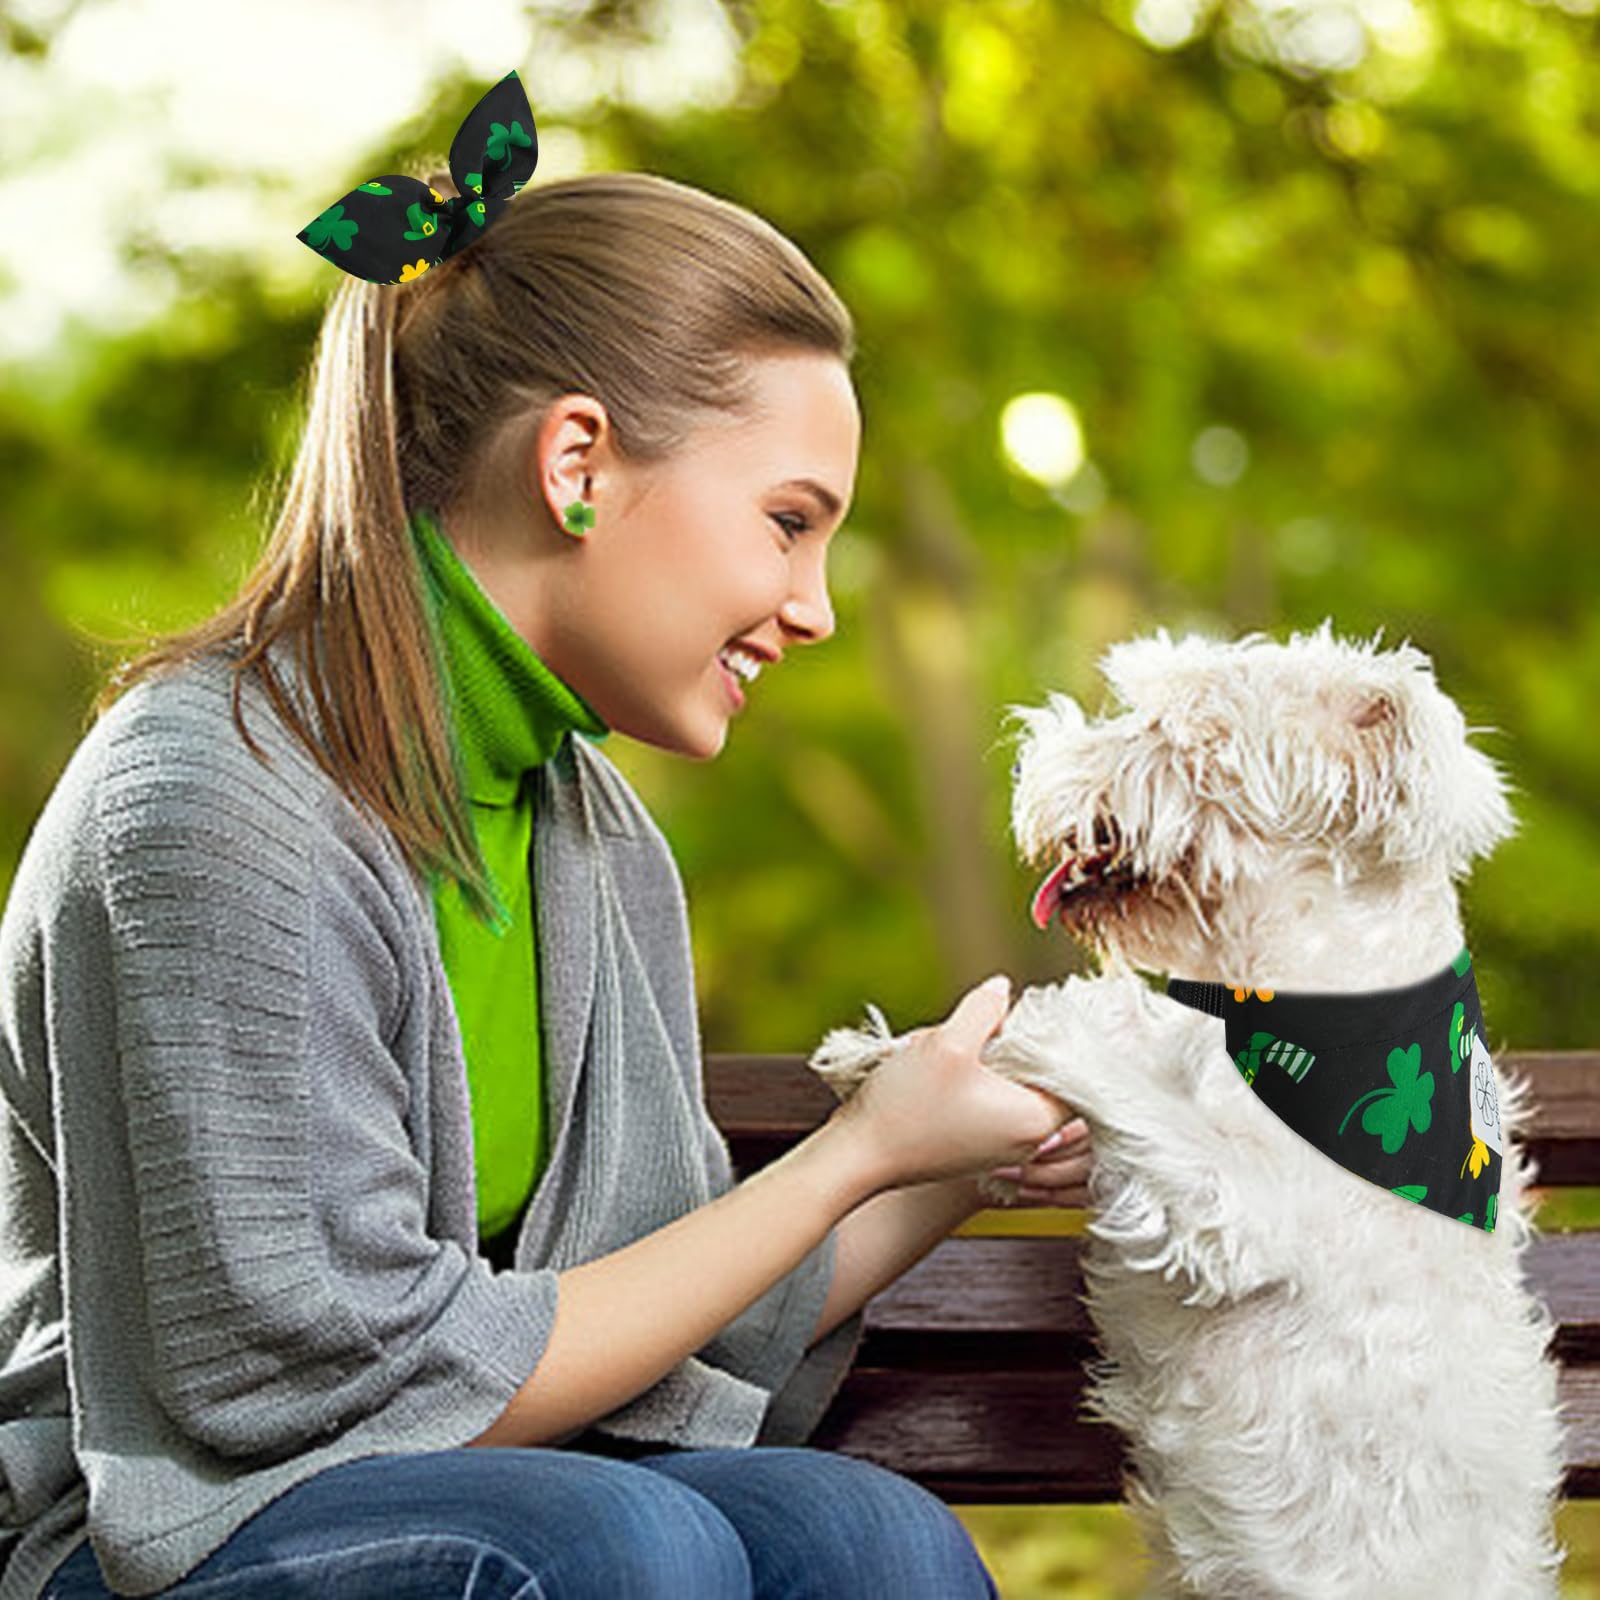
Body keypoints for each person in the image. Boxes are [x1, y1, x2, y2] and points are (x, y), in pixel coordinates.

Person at [0, 80, 1093, 1600]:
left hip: (506, 1506)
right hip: (160, 1536)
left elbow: (671, 1313)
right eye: (788, 521)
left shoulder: (594, 838)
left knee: (868, 1534)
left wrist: (950, 1156)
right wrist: (858, 1146)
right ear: (578, 464)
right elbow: (307, 1392)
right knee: (624, 1544)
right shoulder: (213, 802)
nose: (819, 604)